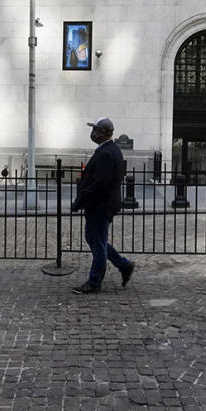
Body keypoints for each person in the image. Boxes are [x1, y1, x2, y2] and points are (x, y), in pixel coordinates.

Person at [70, 117, 135, 294]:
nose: (93, 133)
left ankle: (94, 282)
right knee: (94, 239)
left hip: (100, 205)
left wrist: (80, 200)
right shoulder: (108, 150)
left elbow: (98, 184)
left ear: (105, 133)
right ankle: (124, 265)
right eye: (93, 130)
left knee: (97, 244)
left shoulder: (107, 153)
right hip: (101, 205)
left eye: (96, 130)